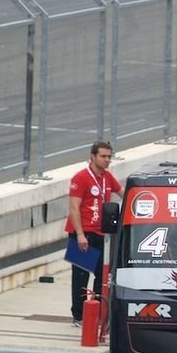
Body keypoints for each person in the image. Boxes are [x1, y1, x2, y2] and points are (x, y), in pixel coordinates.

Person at [65, 140, 122, 327]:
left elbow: (123, 192)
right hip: (83, 234)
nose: (107, 160)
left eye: (109, 156)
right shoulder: (81, 178)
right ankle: (79, 315)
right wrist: (80, 235)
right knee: (81, 277)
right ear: (93, 156)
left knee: (102, 275)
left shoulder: (107, 177)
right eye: (103, 156)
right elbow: (74, 208)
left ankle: (97, 312)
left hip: (101, 234)